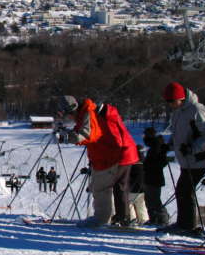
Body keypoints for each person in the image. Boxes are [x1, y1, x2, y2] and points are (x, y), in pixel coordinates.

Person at [58, 95, 138, 227]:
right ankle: (124, 218)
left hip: (110, 155)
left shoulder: (88, 114)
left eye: (68, 115)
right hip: (120, 152)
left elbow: (87, 135)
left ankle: (103, 218)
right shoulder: (89, 112)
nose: (69, 118)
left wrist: (66, 138)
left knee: (101, 187)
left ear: (72, 110)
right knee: (119, 187)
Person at [160, 82, 205, 235]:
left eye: (171, 101)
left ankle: (188, 226)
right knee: (182, 190)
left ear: (181, 98)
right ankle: (183, 224)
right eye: (168, 102)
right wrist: (169, 145)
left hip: (199, 159)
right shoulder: (178, 112)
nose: (170, 105)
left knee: (185, 190)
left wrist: (192, 148)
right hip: (186, 159)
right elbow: (179, 134)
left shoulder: (197, 109)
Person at [142, 127, 170, 226]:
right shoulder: (153, 146)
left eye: (145, 135)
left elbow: (162, 162)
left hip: (154, 177)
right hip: (150, 176)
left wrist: (149, 165)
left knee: (154, 200)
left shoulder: (156, 145)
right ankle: (154, 219)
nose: (144, 137)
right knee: (149, 200)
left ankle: (163, 219)